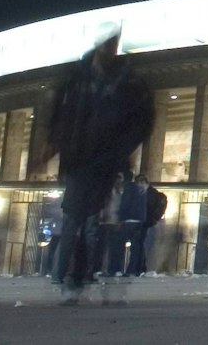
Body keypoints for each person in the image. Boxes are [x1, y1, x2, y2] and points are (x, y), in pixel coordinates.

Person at [43, 28, 154, 305]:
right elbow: (58, 112)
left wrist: (124, 147)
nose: (110, 48)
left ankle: (79, 277)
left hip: (107, 161)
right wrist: (52, 144)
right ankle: (74, 278)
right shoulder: (77, 77)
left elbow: (144, 117)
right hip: (79, 158)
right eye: (107, 43)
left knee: (91, 218)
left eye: (114, 43)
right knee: (79, 218)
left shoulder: (127, 80)